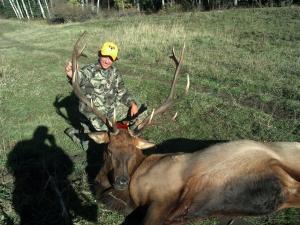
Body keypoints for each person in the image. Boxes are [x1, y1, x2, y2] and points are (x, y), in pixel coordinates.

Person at [64, 41, 145, 149]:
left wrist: (132, 104)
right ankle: (79, 135)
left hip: (111, 111)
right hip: (93, 115)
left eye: (110, 58)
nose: (107, 61)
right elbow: (78, 77)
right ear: (99, 54)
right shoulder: (89, 71)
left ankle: (122, 128)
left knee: (141, 113)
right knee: (96, 144)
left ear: (114, 59)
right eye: (105, 56)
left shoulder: (114, 73)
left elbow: (122, 92)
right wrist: (71, 74)